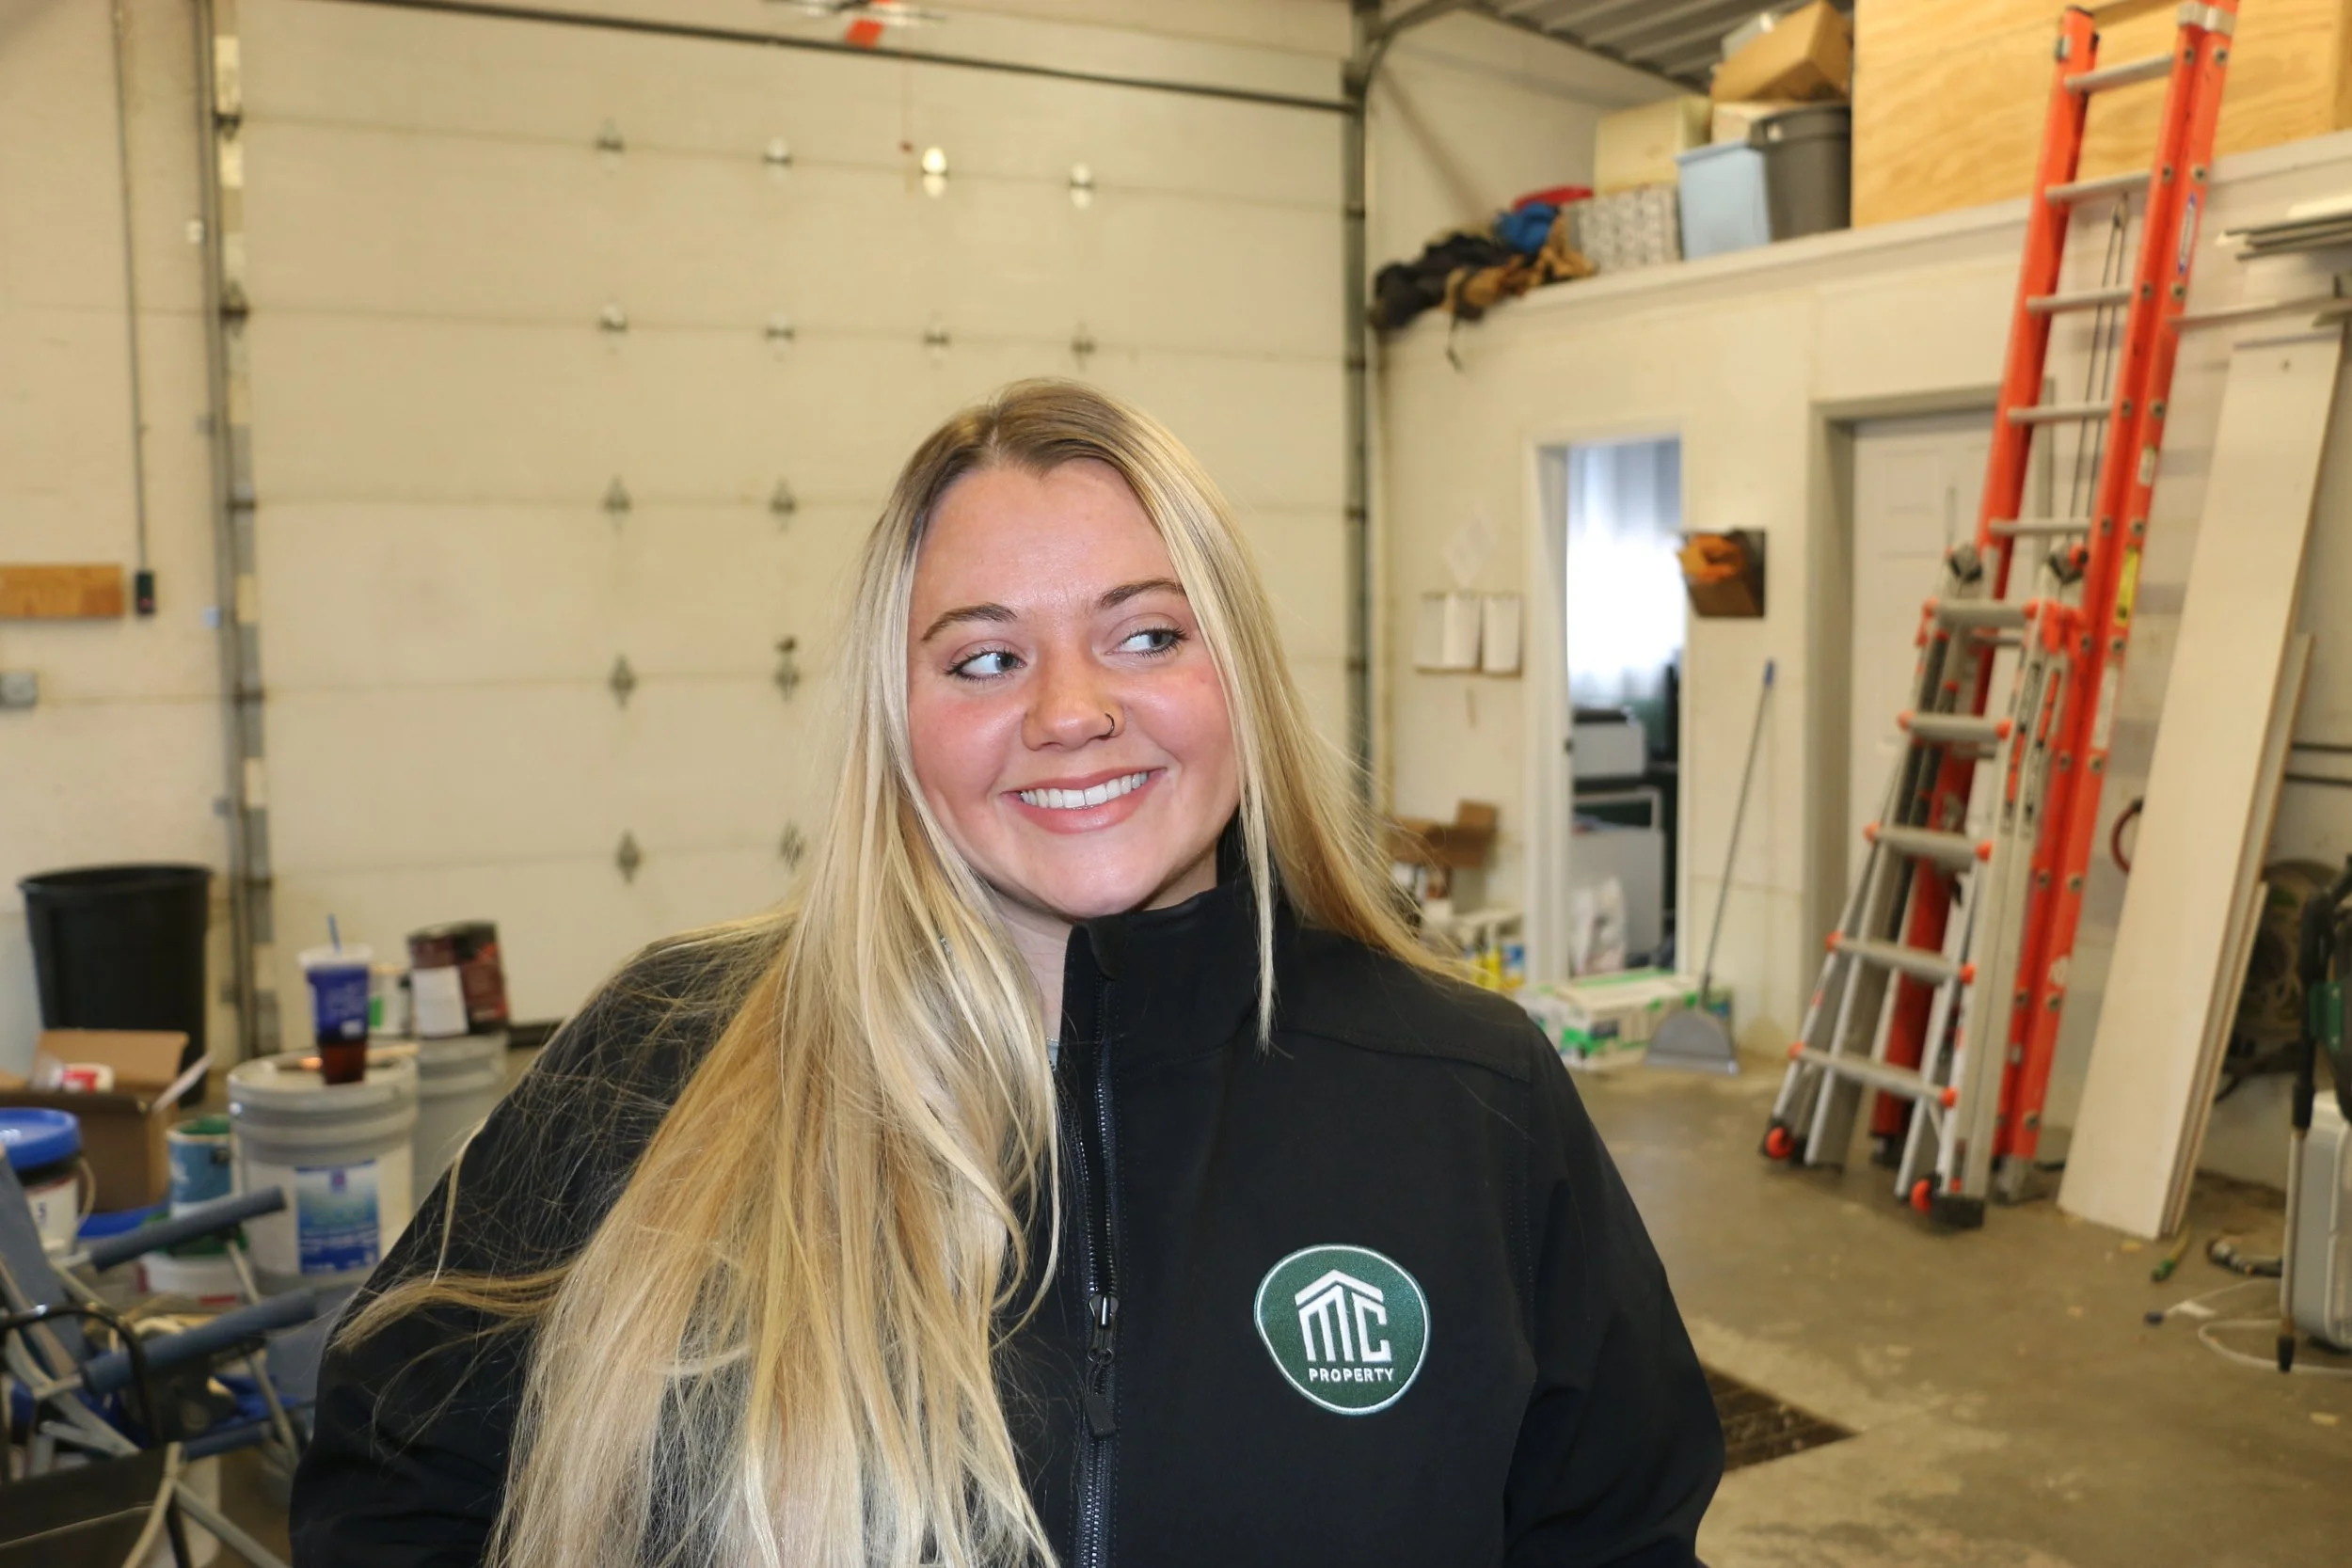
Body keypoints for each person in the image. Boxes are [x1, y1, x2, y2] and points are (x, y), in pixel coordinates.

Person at [290, 380, 1723, 1568]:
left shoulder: (1469, 1096)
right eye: (984, 660)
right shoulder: (663, 1052)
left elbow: (1615, 1537)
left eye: (1146, 634)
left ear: (1239, 674)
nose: (1071, 711)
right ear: (897, 713)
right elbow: (394, 1480)